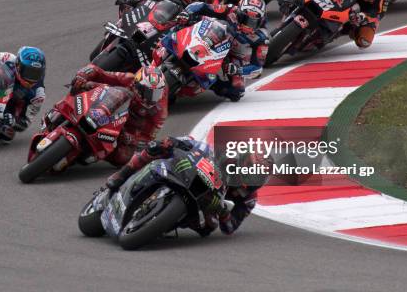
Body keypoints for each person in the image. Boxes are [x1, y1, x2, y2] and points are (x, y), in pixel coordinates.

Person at [105, 136, 260, 236]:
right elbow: (200, 147)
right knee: (158, 146)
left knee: (209, 227)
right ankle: (123, 173)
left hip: (209, 201)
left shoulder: (249, 198)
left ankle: (167, 221)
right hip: (190, 171)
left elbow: (229, 228)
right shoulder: (226, 155)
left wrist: (224, 213)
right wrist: (178, 143)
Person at [51, 65, 168, 166]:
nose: (152, 99)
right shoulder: (128, 79)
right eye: (148, 92)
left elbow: (146, 140)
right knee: (81, 86)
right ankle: (58, 113)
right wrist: (82, 76)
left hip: (123, 129)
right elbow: (96, 70)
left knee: (123, 157)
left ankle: (89, 152)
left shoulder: (159, 112)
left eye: (156, 94)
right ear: (137, 84)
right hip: (104, 105)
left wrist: (131, 139)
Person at [176, 0, 269, 101]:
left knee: (237, 91)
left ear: (261, 20)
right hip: (213, 35)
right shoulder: (231, 10)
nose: (248, 24)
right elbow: (202, 6)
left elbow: (258, 69)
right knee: (185, 20)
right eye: (245, 18)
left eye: (253, 21)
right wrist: (187, 13)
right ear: (239, 12)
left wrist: (238, 70)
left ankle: (211, 82)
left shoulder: (262, 38)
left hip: (234, 55)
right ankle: (172, 39)